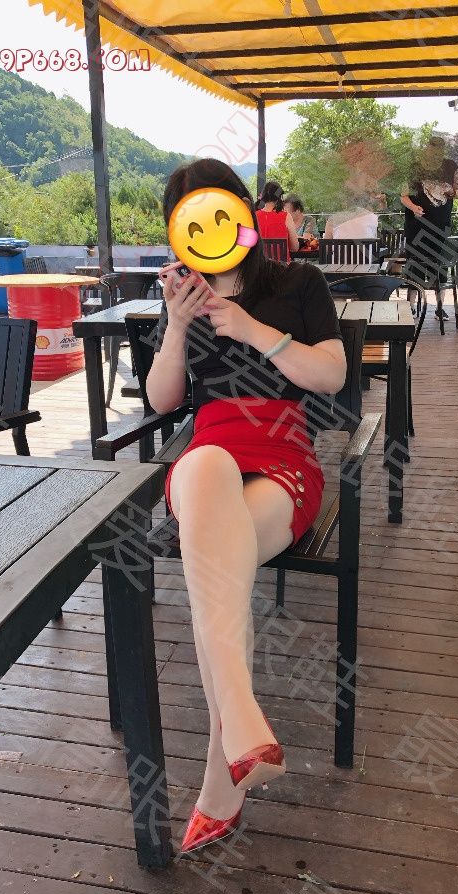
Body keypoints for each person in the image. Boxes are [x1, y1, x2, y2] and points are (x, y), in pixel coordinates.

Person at [149, 159, 346, 854]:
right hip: (210, 453)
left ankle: (226, 766)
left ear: (242, 214)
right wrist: (177, 327)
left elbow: (332, 374)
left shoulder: (297, 282)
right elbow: (163, 402)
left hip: (283, 456)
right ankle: (238, 726)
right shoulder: (182, 294)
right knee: (203, 465)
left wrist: (252, 329)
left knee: (215, 578)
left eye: (218, 210)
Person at [401, 136, 458, 316]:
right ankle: (411, 307)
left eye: (438, 149)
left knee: (440, 267)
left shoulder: (450, 166)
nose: (435, 153)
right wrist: (414, 207)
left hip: (441, 227)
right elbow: (403, 195)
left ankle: (440, 308)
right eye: (432, 149)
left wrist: (452, 191)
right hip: (415, 227)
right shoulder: (414, 168)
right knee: (414, 265)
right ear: (426, 149)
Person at [255, 181, 299, 256]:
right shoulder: (286, 216)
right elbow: (295, 248)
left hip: (260, 263)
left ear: (264, 196)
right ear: (279, 196)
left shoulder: (254, 216)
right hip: (281, 263)